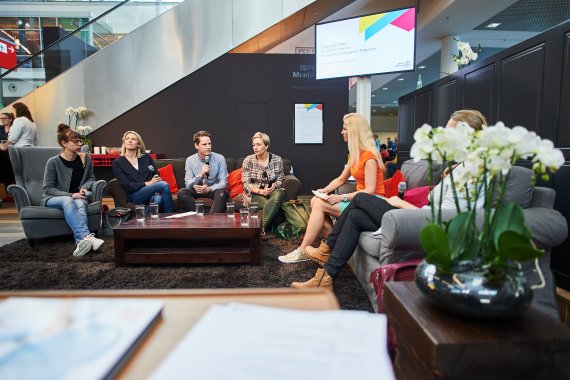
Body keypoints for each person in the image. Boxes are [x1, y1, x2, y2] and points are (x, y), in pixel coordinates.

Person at [291, 109, 488, 290]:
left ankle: (327, 248)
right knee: (356, 216)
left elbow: (444, 219)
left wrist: (402, 203)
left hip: (422, 223)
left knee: (360, 198)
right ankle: (325, 279)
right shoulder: (465, 167)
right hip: (418, 217)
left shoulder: (473, 173)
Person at [279, 113, 386, 264]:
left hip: (371, 203)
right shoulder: (355, 155)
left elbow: (370, 190)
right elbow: (341, 179)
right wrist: (325, 190)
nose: (341, 132)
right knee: (316, 201)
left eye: (344, 129)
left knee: (319, 204)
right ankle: (334, 248)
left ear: (354, 132)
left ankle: (304, 250)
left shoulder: (368, 157)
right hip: (359, 201)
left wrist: (342, 197)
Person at [41, 124, 104, 257]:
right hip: (54, 198)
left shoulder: (85, 158)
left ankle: (80, 243)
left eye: (80, 141)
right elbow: (48, 188)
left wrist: (84, 188)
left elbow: (91, 178)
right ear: (64, 143)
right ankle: (88, 236)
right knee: (69, 200)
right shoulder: (53, 162)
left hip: (79, 196)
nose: (80, 144)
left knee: (80, 204)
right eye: (75, 141)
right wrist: (71, 194)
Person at [112, 131, 173, 213]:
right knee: (164, 185)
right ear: (124, 142)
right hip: (135, 195)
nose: (130, 141)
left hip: (151, 193)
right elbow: (127, 185)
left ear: (138, 144)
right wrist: (147, 183)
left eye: (133, 139)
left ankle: (145, 219)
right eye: (127, 139)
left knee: (158, 199)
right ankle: (171, 219)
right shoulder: (118, 163)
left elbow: (156, 174)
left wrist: (156, 177)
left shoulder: (146, 158)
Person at [241, 132, 285, 232]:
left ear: (266, 146)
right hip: (256, 193)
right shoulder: (248, 160)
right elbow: (245, 183)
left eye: (258, 144)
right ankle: (263, 228)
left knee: (279, 193)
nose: (255, 147)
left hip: (272, 192)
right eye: (253, 145)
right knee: (270, 206)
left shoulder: (277, 159)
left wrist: (273, 186)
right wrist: (261, 191)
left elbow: (280, 179)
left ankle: (260, 229)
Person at [177, 131, 228, 213]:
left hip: (213, 190)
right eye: (204, 144)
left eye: (209, 144)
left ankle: (212, 220)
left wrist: (208, 189)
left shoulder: (219, 158)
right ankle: (198, 216)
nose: (208, 147)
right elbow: (188, 185)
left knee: (222, 193)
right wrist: (201, 174)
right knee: (182, 192)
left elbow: (223, 183)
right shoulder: (190, 160)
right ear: (196, 146)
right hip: (197, 190)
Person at [0, 112, 16, 189]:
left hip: (11, 153)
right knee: (4, 172)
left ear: (10, 119)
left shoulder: (14, 129)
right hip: (1, 153)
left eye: (4, 118)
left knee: (12, 172)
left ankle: (15, 191)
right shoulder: (0, 128)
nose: (2, 120)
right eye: (1, 118)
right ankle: (7, 192)